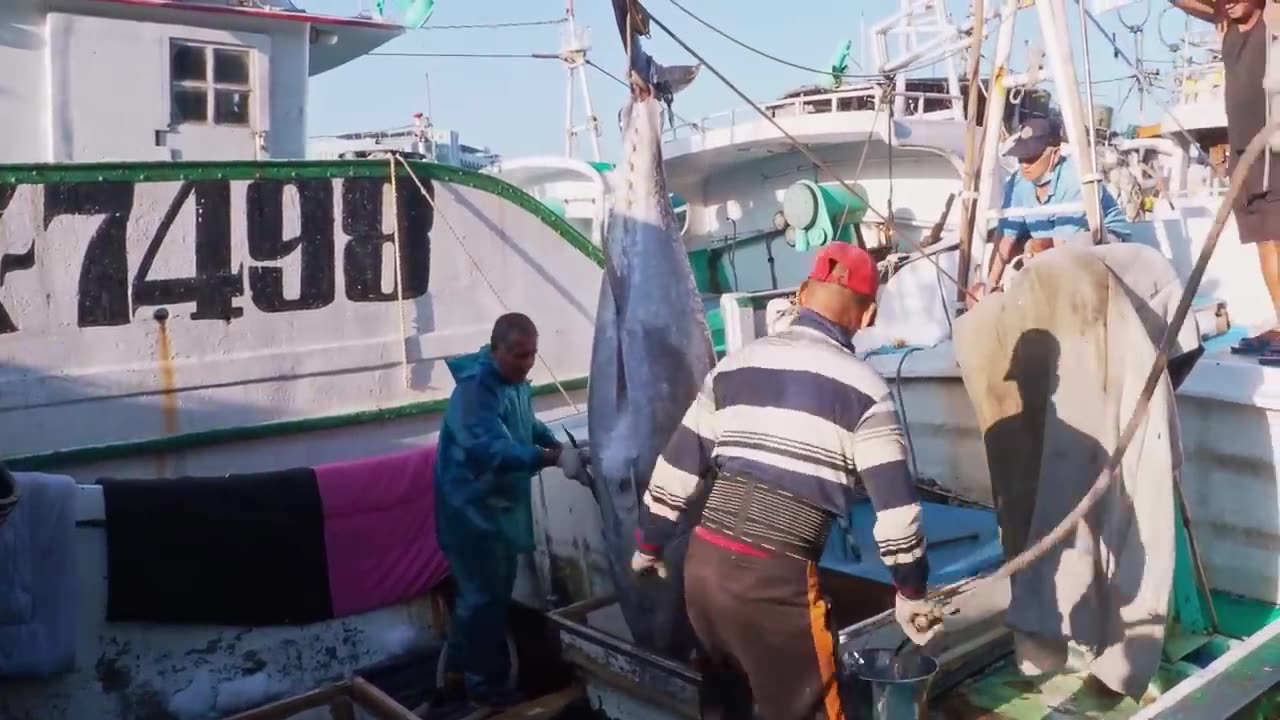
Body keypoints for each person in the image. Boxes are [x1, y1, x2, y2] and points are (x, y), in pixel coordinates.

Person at [631, 242, 942, 720]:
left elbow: (676, 470)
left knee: (728, 708)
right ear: (870, 314)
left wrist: (649, 545)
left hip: (703, 571)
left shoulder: (733, 367)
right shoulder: (866, 392)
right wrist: (912, 594)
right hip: (773, 586)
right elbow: (898, 519)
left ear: (801, 293)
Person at [433, 312, 587, 715]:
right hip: (472, 514)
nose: (527, 363)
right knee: (485, 600)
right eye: (519, 355)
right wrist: (553, 460)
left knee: (480, 597)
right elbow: (490, 450)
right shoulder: (475, 391)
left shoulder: (514, 383)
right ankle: (484, 689)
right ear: (495, 348)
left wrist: (558, 445)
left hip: (499, 509)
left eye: (533, 354)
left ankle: (454, 673)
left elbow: (526, 424)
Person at [1169, 0, 1280, 358]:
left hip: (1274, 151)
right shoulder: (1224, 21)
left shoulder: (1274, 16)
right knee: (1266, 241)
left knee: (1278, 238)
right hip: (1243, 155)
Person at [981, 117, 1133, 295]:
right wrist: (989, 287)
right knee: (1014, 244)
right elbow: (1007, 237)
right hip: (1051, 244)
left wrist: (1036, 247)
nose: (1024, 165)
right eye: (1021, 158)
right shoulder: (1017, 182)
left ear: (1054, 155)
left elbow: (1064, 244)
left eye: (1031, 158)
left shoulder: (1075, 179)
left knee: (1052, 249)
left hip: (1104, 242)